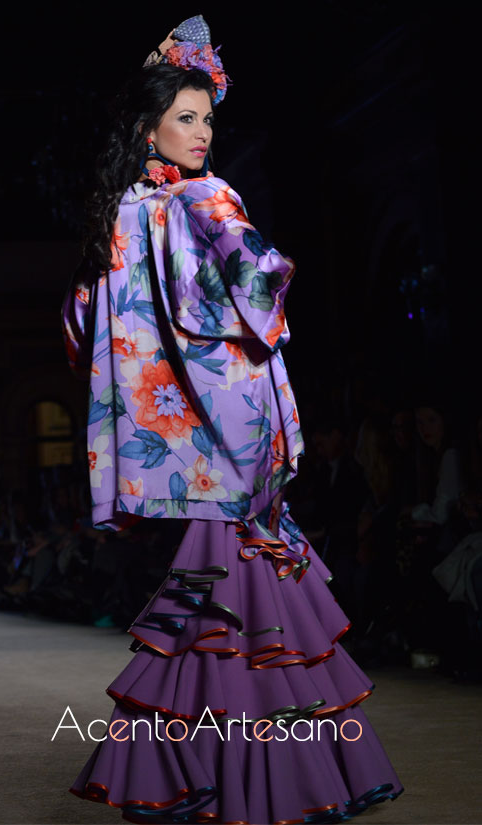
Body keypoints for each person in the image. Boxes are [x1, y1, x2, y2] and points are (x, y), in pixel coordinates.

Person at [63, 16, 404, 823]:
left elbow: (84, 327)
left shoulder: (122, 215)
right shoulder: (202, 198)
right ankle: (257, 779)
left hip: (178, 450)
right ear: (148, 125)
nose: (202, 131)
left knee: (225, 603)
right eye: (186, 116)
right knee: (244, 605)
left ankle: (202, 775)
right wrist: (263, 268)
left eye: (207, 117)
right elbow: (260, 279)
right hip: (233, 434)